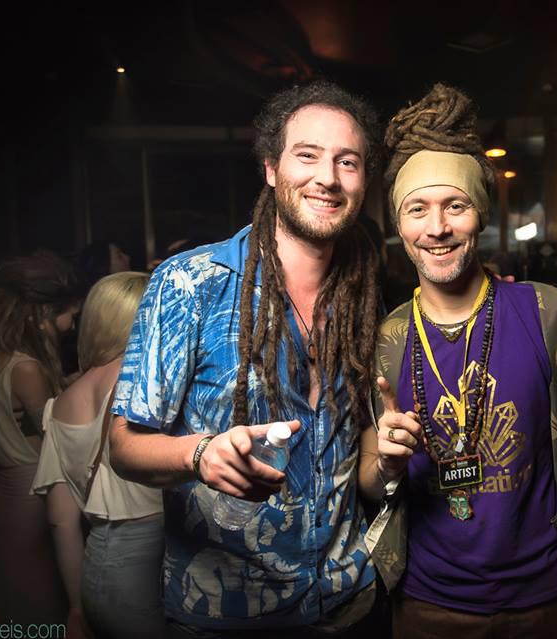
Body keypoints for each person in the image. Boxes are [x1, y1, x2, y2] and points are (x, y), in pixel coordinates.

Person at [108, 81, 381, 635]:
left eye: (347, 161)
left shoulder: (366, 295)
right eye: (307, 155)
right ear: (272, 169)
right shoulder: (191, 284)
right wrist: (199, 453)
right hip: (226, 615)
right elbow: (123, 446)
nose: (328, 177)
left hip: (349, 604)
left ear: (362, 180)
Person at [362, 84, 557, 639]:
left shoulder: (550, 314)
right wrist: (386, 465)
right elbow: (367, 476)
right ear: (399, 226)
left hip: (545, 597)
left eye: (455, 206)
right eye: (417, 209)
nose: (437, 227)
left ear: (479, 215)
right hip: (428, 602)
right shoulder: (386, 339)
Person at [31, 271, 164, 639]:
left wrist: (76, 608)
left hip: (97, 567)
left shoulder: (60, 405)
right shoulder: (143, 383)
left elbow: (61, 522)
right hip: (150, 566)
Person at [0, 252, 78, 626]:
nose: (72, 324)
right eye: (67, 314)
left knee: (13, 578)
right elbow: (55, 433)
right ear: (41, 314)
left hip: (6, 486)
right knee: (35, 589)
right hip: (28, 488)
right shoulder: (28, 368)